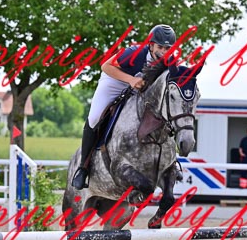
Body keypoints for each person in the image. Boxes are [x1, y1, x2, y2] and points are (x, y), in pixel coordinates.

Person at [71, 24, 177, 190]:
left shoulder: (170, 62)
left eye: (167, 48)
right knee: (94, 118)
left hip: (139, 89)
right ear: (151, 45)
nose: (163, 52)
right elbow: (106, 66)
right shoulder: (134, 53)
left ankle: (169, 162)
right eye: (160, 47)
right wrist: (130, 80)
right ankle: (83, 168)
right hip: (114, 82)